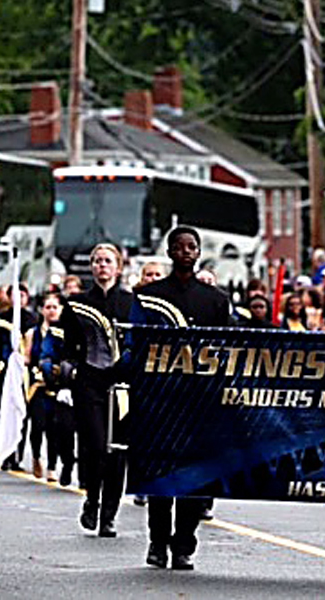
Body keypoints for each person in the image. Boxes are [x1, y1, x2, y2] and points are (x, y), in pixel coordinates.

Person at [131, 227, 231, 571]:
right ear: (170, 252)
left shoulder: (216, 299)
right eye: (180, 246)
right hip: (160, 400)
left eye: (193, 247)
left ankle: (184, 543)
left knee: (195, 475)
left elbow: (227, 349)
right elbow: (137, 344)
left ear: (200, 252)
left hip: (200, 402)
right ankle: (157, 542)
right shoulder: (150, 296)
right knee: (162, 473)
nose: (187, 251)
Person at [51, 243, 132, 538]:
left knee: (118, 451)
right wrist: (67, 366)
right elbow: (69, 345)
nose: (102, 266)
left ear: (118, 267)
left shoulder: (132, 302)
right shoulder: (77, 303)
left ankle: (110, 514)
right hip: (90, 380)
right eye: (97, 261)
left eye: (107, 261)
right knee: (96, 446)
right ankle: (92, 502)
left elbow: (136, 345)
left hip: (122, 383)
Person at [0, 283, 38, 471]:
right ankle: (6, 453)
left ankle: (18, 456)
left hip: (27, 373)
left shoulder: (34, 319)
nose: (19, 298)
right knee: (5, 411)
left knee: (23, 414)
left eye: (22, 294)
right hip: (5, 372)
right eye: (15, 295)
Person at [25, 292, 74, 481]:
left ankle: (53, 465)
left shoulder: (65, 332)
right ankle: (37, 456)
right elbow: (29, 357)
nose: (51, 311)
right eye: (48, 307)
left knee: (56, 427)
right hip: (38, 385)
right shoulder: (33, 333)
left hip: (59, 385)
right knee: (38, 425)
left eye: (55, 307)